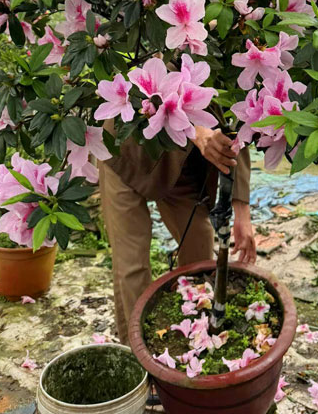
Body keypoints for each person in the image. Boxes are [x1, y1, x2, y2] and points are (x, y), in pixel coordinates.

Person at [99, 124, 255, 344]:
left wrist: (242, 210)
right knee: (132, 263)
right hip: (127, 150)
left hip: (178, 162)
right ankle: (137, 349)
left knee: (199, 241)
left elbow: (240, 125)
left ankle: (195, 332)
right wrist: (193, 129)